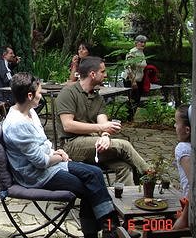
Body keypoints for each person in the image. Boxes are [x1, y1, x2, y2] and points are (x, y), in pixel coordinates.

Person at [3, 72, 121, 238]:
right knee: (90, 186)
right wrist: (61, 156)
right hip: (36, 175)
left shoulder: (29, 112)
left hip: (50, 164)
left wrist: (56, 151)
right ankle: (109, 230)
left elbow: (43, 144)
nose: (41, 95)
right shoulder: (17, 124)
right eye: (39, 92)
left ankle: (109, 228)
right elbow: (41, 162)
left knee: (94, 172)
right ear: (29, 95)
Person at [56, 56, 149, 185]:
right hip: (71, 145)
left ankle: (125, 201)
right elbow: (68, 125)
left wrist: (105, 136)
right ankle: (151, 176)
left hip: (95, 144)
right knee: (124, 146)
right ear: (92, 74)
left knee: (124, 167)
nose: (105, 75)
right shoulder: (68, 93)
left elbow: (103, 124)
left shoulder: (98, 98)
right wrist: (102, 129)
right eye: (103, 71)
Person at [172, 104, 192, 230]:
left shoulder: (183, 148)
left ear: (187, 130)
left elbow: (193, 184)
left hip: (192, 208)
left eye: (176, 123)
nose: (174, 126)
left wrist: (184, 218)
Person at [121, 35, 148, 118]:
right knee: (133, 99)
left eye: (144, 42)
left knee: (137, 99)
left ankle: (131, 118)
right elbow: (128, 67)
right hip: (131, 80)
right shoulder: (132, 52)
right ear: (136, 43)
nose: (143, 44)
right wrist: (133, 81)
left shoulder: (141, 52)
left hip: (139, 79)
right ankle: (128, 118)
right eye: (141, 42)